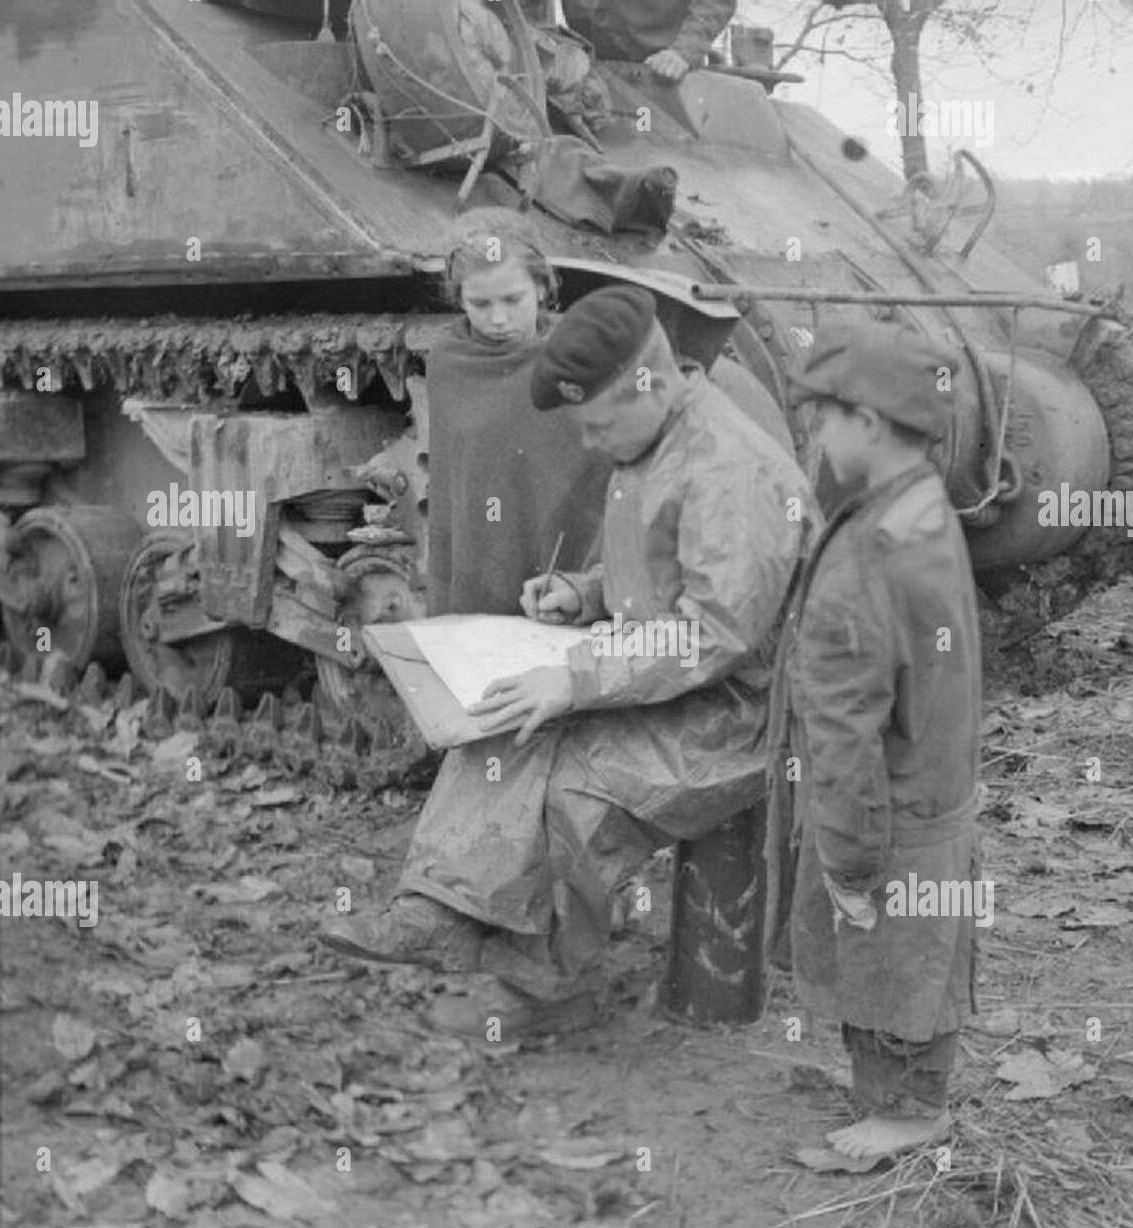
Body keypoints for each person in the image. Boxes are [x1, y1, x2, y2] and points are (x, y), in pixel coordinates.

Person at [329, 283, 817, 1038]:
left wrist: (577, 678)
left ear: (648, 385)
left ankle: (546, 986)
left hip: (744, 710)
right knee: (499, 712)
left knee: (578, 794)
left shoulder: (730, 469)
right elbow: (664, 573)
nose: (589, 445)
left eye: (594, 427)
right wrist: (583, 595)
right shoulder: (655, 433)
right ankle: (444, 909)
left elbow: (714, 632)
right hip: (666, 677)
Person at [320, 206, 608, 969]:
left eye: (514, 299)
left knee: (538, 730)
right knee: (490, 717)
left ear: (544, 287)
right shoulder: (453, 362)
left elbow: (602, 476)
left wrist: (588, 583)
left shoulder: (582, 359)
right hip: (480, 578)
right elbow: (455, 491)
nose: (498, 317)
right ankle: (460, 904)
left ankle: (466, 907)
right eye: (479, 303)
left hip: (574, 583)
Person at [766, 318, 981, 1162]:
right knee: (918, 953)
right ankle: (902, 1098)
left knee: (888, 956)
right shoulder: (925, 504)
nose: (817, 433)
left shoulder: (867, 555)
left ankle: (903, 1113)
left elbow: (847, 732)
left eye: (825, 416)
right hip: (935, 784)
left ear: (869, 424)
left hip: (884, 807)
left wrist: (848, 858)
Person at [561, 0, 736, 81]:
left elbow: (716, 3)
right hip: (588, 67)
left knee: (645, 135)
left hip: (661, 71)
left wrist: (683, 51)